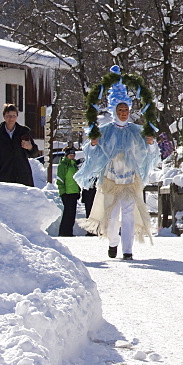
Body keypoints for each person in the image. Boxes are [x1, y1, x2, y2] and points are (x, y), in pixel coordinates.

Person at [75, 70, 160, 260]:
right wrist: (94, 145)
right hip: (111, 179)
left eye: (126, 110)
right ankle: (113, 242)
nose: (123, 113)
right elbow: (92, 151)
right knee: (112, 216)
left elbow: (149, 151)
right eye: (120, 110)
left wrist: (150, 142)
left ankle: (128, 249)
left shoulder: (137, 131)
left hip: (130, 179)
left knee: (129, 214)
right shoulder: (104, 131)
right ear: (115, 111)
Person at [0, 103, 39, 186]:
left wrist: (30, 147)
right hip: (4, 176)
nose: (11, 119)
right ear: (4, 116)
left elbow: (35, 153)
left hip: (23, 176)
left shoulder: (23, 132)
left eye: (14, 116)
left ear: (17, 116)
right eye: (8, 116)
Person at [56, 146, 81, 236]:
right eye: (70, 155)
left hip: (74, 192)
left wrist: (78, 190)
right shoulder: (63, 165)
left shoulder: (74, 164)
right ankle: (63, 232)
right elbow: (60, 180)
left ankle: (69, 232)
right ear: (66, 155)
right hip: (67, 192)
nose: (72, 157)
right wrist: (62, 192)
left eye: (73, 155)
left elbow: (77, 178)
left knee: (72, 214)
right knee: (67, 213)